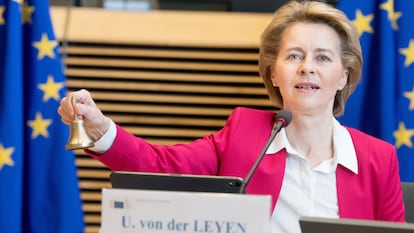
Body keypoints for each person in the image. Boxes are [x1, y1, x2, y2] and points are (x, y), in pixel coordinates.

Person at [58, 1, 405, 232]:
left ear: (344, 76)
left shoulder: (378, 158)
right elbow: (161, 165)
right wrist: (103, 130)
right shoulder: (244, 133)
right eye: (294, 56)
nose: (307, 69)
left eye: (323, 58)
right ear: (273, 73)